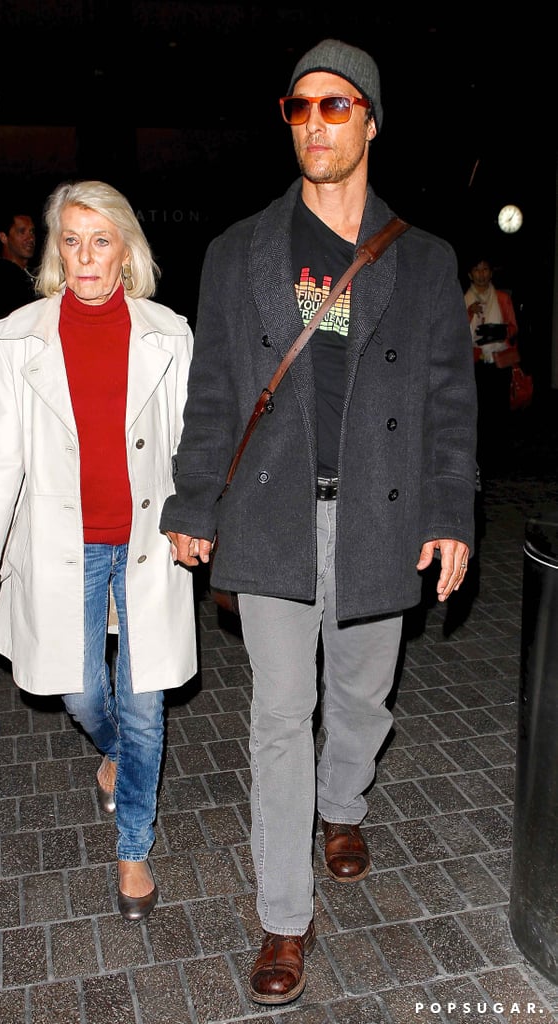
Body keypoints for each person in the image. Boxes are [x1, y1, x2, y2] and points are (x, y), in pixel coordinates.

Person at [160, 39, 477, 1005]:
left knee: (364, 698)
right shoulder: (237, 252)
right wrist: (191, 501)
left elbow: (448, 398)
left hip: (378, 515)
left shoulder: (422, 261)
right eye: (300, 107)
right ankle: (283, 919)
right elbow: (214, 392)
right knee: (278, 714)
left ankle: (345, 803)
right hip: (271, 517)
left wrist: (451, 509)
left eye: (337, 107)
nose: (315, 124)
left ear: (371, 121)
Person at [0, 179, 197, 923]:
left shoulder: (169, 333)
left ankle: (133, 849)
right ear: (57, 250)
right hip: (63, 546)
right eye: (71, 240)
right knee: (78, 687)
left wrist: (201, 518)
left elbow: (194, 444)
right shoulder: (19, 336)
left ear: (125, 251)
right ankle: (114, 748)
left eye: (101, 241)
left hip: (149, 543)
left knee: (145, 697)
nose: (86, 257)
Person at [464, 255, 519, 474]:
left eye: (485, 269)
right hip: (476, 363)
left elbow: (514, 328)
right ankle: (480, 458)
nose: (481, 274)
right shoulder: (464, 299)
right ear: (470, 274)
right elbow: (456, 331)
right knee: (479, 413)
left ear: (491, 273)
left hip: (499, 363)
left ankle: (500, 459)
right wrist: (470, 312)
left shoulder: (503, 298)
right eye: (477, 270)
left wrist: (499, 332)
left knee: (499, 413)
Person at [0, 206, 38, 342]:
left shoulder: (32, 274)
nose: (30, 238)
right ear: (4, 237)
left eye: (32, 232)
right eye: (22, 232)